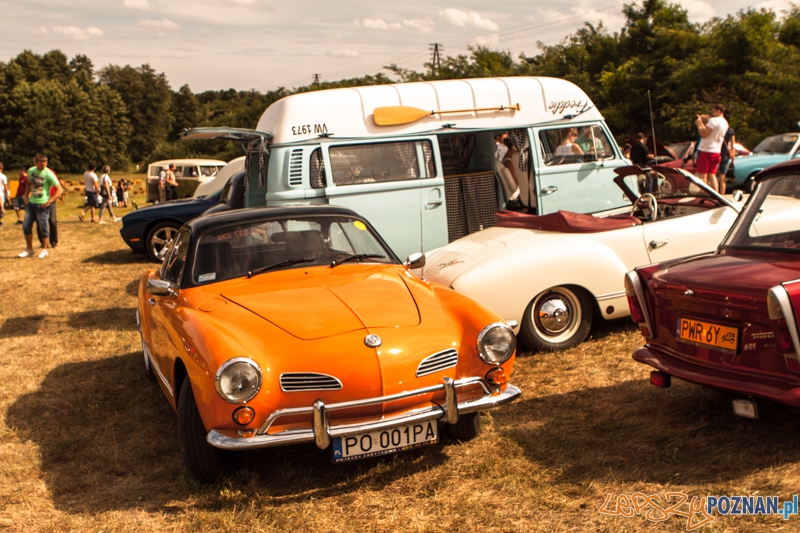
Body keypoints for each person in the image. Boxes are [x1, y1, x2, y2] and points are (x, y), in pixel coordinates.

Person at [19, 153, 62, 258]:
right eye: (41, 163)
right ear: (36, 162)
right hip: (31, 203)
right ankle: (29, 249)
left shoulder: (49, 173)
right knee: (26, 226)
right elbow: (29, 183)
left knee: (43, 227)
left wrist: (49, 201)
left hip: (43, 204)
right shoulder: (31, 171)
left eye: (45, 163)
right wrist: (26, 196)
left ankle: (44, 249)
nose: (43, 165)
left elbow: (59, 189)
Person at [695, 104, 728, 192]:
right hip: (716, 151)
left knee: (703, 174)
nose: (712, 113)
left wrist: (699, 124)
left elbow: (704, 134)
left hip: (706, 150)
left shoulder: (713, 120)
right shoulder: (725, 123)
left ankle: (705, 193)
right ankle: (715, 193)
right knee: (712, 175)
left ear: (719, 111)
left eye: (713, 111)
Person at [715, 109, 736, 196]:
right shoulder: (731, 130)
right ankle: (722, 195)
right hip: (725, 154)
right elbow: (733, 144)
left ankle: (715, 194)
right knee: (722, 177)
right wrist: (732, 154)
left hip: (716, 152)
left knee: (713, 175)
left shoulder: (719, 128)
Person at [0, 162, 8, 227]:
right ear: (2, 168)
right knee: (1, 208)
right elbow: (5, 186)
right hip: (1, 194)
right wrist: (7, 194)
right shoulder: (3, 176)